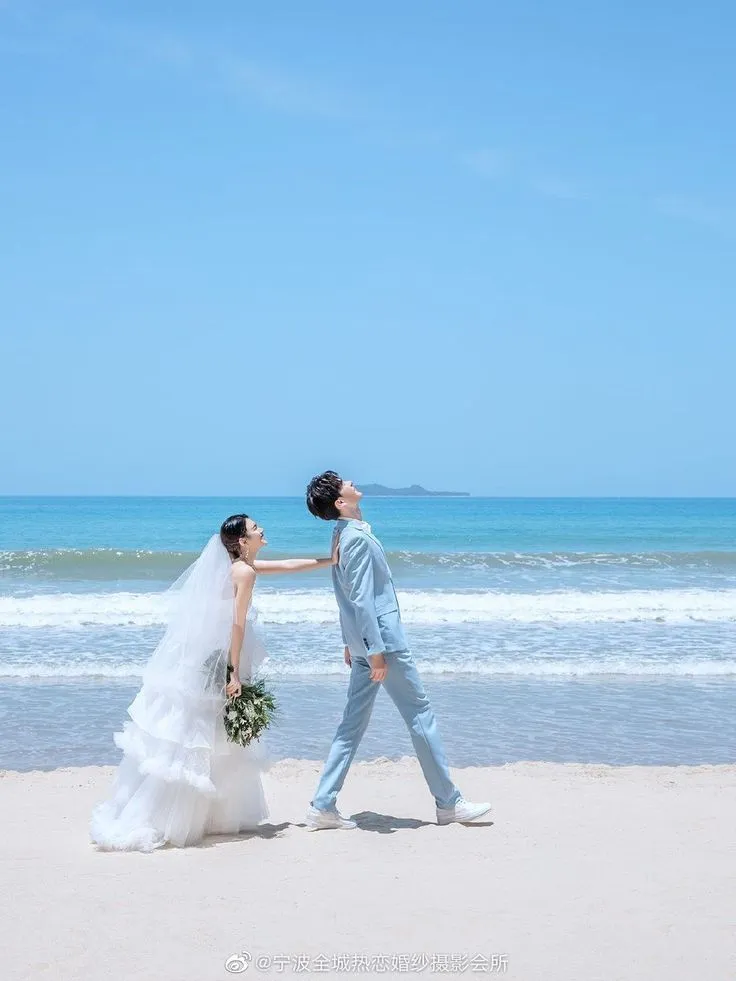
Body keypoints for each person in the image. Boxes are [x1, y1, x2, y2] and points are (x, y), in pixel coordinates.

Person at [90, 514, 336, 851]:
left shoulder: (238, 567)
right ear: (241, 542)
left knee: (201, 733)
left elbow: (289, 566)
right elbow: (237, 625)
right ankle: (177, 816)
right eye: (254, 528)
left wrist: (330, 560)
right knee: (203, 733)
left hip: (209, 657)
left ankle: (199, 814)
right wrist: (233, 671)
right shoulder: (245, 571)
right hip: (223, 657)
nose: (261, 529)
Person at [304, 471, 491, 830]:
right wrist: (373, 650)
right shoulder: (354, 537)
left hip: (365, 643)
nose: (352, 481)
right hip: (383, 645)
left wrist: (351, 642)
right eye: (344, 483)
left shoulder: (343, 533)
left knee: (351, 725)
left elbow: (343, 593)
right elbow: (357, 596)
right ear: (340, 502)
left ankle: (323, 804)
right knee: (420, 714)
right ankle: (449, 803)